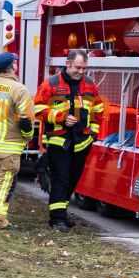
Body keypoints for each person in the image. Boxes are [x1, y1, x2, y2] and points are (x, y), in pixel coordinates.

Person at [34, 47, 104, 229]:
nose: (81, 72)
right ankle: (56, 219)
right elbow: (38, 109)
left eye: (84, 68)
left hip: (82, 142)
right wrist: (61, 117)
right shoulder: (51, 84)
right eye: (77, 68)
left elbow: (98, 110)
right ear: (68, 64)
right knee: (61, 178)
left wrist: (93, 133)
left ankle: (62, 213)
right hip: (59, 140)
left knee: (73, 179)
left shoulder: (89, 84)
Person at [0, 51, 35, 229]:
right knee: (3, 183)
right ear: (13, 66)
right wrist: (28, 136)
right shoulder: (19, 89)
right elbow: (26, 120)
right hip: (7, 145)